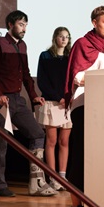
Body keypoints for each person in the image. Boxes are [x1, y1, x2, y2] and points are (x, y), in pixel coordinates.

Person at [0, 10, 57, 197]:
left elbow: (26, 74)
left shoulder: (22, 46)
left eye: (26, 25)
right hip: (0, 101)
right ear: (10, 25)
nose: (24, 28)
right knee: (1, 144)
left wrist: (33, 96)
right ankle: (0, 185)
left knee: (37, 134)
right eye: (21, 24)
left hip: (17, 100)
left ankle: (36, 182)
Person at [64, 5, 104, 207]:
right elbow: (77, 76)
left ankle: (102, 206)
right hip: (85, 105)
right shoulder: (82, 44)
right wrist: (100, 79)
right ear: (94, 22)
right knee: (81, 157)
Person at [37, 27, 72, 192]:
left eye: (66, 37)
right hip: (52, 102)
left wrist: (68, 97)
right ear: (55, 38)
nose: (64, 39)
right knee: (51, 141)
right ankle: (52, 177)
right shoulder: (45, 56)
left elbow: (73, 79)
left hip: (67, 104)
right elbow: (42, 81)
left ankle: (62, 176)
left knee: (64, 142)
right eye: (61, 36)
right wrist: (59, 97)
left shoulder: (70, 57)